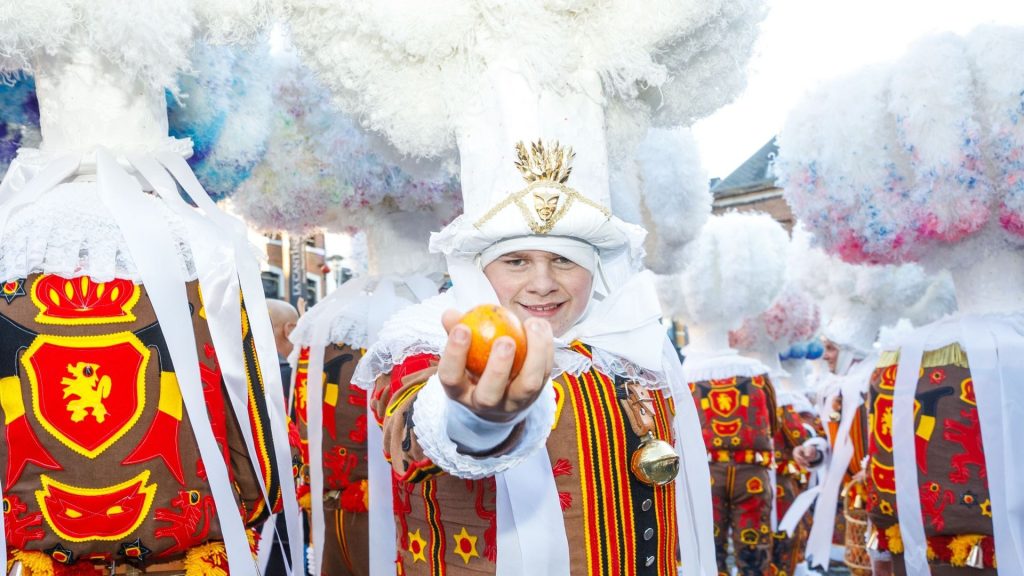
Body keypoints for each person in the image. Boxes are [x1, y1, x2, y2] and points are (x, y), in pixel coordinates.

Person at [352, 65, 714, 576]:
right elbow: (411, 434)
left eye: (564, 260)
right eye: (516, 261)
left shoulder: (631, 344)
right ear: (479, 269)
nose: (542, 283)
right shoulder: (429, 341)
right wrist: (478, 421)